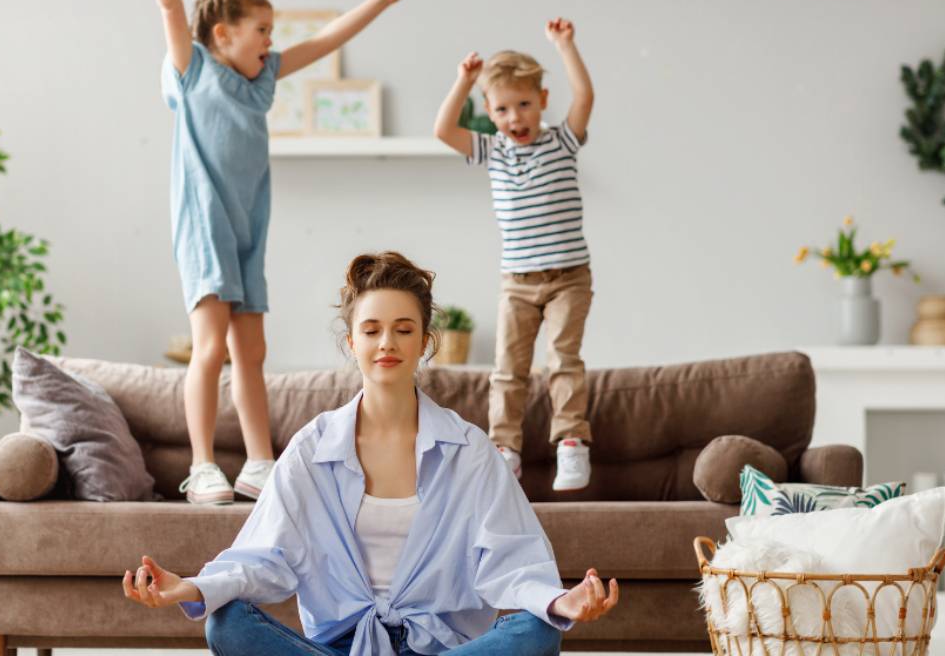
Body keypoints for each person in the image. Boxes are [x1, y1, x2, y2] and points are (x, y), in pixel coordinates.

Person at [122, 252, 618, 654]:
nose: (388, 343)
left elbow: (510, 559)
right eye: (372, 329)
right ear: (352, 341)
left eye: (404, 329)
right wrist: (189, 588)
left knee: (538, 632)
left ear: (426, 342)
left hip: (442, 649)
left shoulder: (469, 450)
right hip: (338, 648)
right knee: (226, 622)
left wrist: (560, 600)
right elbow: (265, 557)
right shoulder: (312, 448)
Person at [129, 0, 412, 503]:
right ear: (223, 34)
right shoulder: (194, 70)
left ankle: (259, 462)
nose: (270, 39)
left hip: (248, 231)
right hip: (205, 226)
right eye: (261, 28)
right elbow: (169, 7)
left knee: (251, 353)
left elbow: (326, 40)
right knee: (209, 348)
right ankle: (203, 464)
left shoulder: (260, 80)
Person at [432, 19, 597, 490]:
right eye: (503, 109)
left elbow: (584, 97)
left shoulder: (562, 141)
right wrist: (464, 79)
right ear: (488, 110)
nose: (515, 118)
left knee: (563, 359)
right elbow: (444, 129)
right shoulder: (492, 150)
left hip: (569, 277)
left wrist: (565, 46)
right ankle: (505, 448)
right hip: (517, 283)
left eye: (524, 105)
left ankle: (570, 442)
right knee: (508, 369)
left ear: (542, 101)